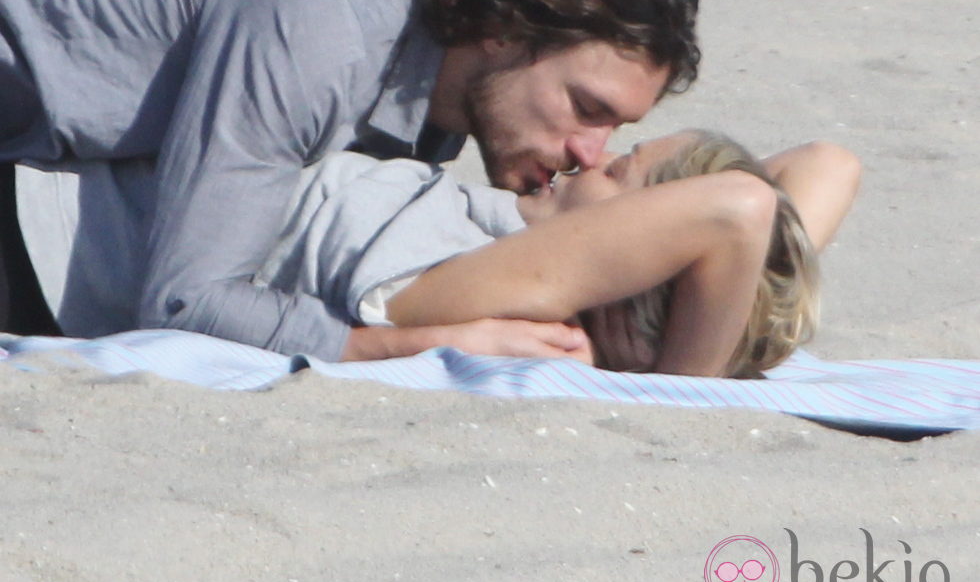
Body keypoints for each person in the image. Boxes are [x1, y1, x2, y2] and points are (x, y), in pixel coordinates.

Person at [0, 0, 700, 353]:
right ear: (506, 28)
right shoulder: (324, 33)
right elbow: (185, 301)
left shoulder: (438, 99)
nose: (590, 149)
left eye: (615, 129)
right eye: (586, 107)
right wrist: (402, 345)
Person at [15, 131, 860, 375]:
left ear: (628, 252)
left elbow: (739, 210)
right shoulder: (521, 265)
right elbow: (828, 163)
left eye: (621, 170)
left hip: (33, 255)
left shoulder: (489, 271)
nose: (593, 153)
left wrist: (685, 382)